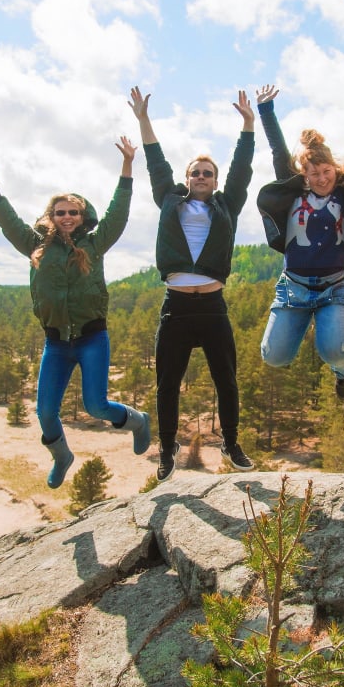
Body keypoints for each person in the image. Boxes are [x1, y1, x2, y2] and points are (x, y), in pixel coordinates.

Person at [0, 142, 150, 489]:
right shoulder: (35, 245)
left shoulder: (95, 244)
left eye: (73, 213)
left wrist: (126, 167)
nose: (67, 217)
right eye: (60, 212)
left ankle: (137, 421)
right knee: (45, 412)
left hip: (92, 338)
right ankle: (62, 455)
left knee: (96, 406)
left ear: (83, 217)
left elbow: (119, 213)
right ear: (51, 217)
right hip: (56, 343)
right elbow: (7, 220)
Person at [129, 86, 255, 482]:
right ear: (186, 179)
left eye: (208, 173)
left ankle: (231, 443)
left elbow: (242, 170)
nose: (201, 176)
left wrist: (248, 125)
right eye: (195, 172)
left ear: (215, 181)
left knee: (226, 379)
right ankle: (167, 447)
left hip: (213, 307)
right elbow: (156, 163)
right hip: (177, 307)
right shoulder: (169, 199)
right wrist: (143, 120)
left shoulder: (226, 204)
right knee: (167, 383)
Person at [256, 84, 344, 399]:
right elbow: (278, 151)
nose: (322, 178)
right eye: (314, 174)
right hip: (293, 288)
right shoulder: (294, 192)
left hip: (335, 287)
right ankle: (302, 328)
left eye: (327, 171)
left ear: (335, 170)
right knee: (274, 357)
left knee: (334, 353)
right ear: (305, 175)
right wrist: (266, 111)